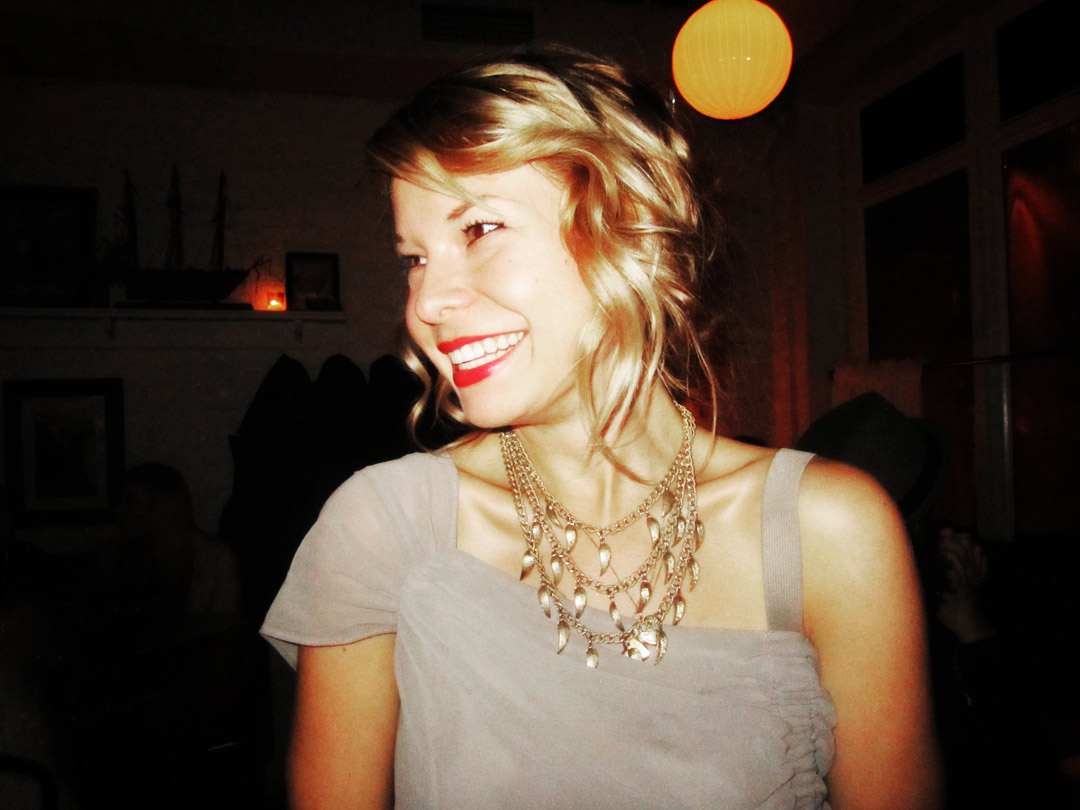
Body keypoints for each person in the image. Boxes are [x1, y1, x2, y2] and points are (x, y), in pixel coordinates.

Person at [261, 45, 940, 809]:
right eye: (413, 259)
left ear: (633, 230)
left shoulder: (829, 532)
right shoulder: (385, 525)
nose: (427, 302)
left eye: (479, 228)